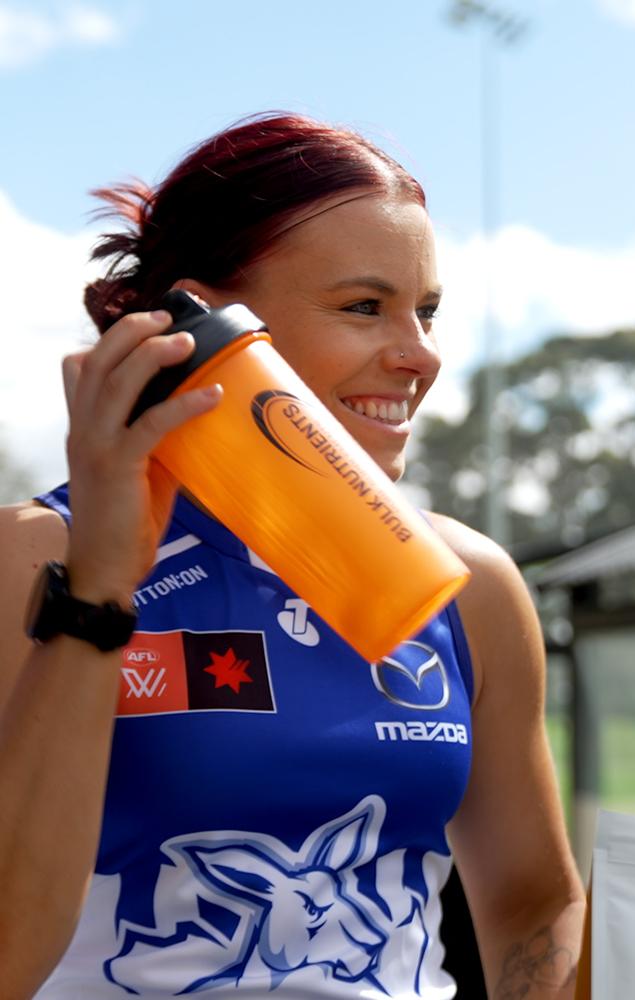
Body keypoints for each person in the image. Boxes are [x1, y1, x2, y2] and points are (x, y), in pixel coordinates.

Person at [0, 113, 584, 999]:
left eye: (426, 312)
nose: (419, 355)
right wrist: (100, 588)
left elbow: (535, 906)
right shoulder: (30, 558)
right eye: (363, 308)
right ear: (202, 322)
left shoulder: (470, 585)